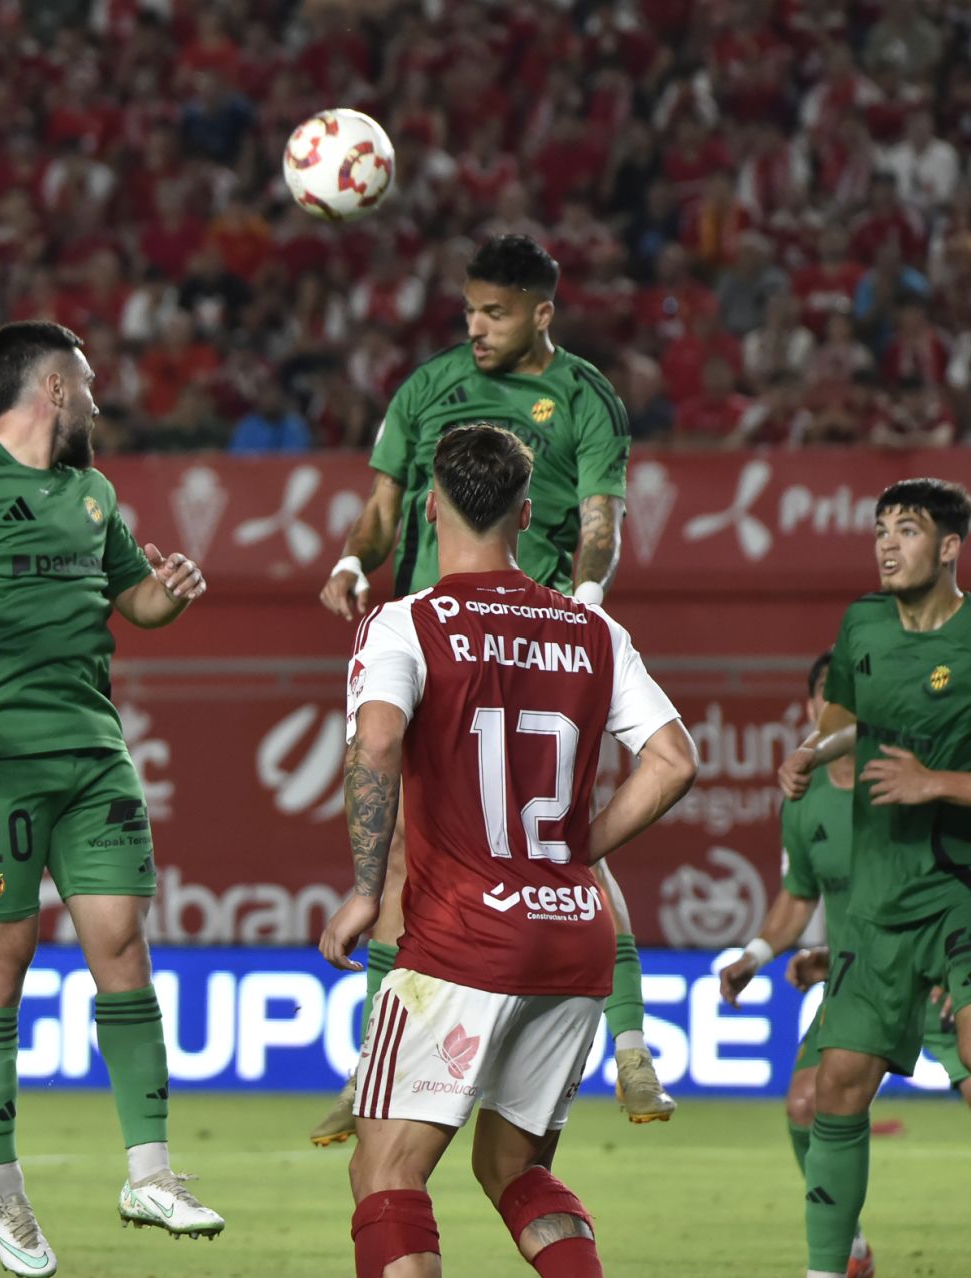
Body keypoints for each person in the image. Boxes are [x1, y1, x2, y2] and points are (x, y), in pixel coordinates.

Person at [0, 321, 222, 1276]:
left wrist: (169, 591)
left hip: (93, 752)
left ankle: (149, 1173)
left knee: (122, 943)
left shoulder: (94, 494)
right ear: (56, 388)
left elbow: (134, 602)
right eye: (90, 384)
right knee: (1, 962)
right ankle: (3, 1194)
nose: (100, 402)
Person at [314, 234, 671, 1144]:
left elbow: (601, 521)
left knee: (552, 839)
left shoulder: (585, 397)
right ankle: (377, 1057)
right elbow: (383, 509)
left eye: (496, 313)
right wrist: (353, 560)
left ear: (542, 313)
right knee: (408, 848)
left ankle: (631, 1042)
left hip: (529, 637)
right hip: (435, 643)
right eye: (470, 309)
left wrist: (585, 600)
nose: (476, 327)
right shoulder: (427, 388)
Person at [320, 423, 698, 1278]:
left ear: (429, 507)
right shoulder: (592, 629)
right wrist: (573, 851)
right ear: (527, 514)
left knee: (385, 1173)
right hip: (573, 938)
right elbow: (675, 761)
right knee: (514, 1168)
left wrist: (365, 890)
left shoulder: (405, 624)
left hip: (462, 937)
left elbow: (375, 746)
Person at [776, 478, 971, 1278]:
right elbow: (843, 719)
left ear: (950, 547)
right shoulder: (862, 622)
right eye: (881, 529)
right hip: (881, 901)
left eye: (908, 529)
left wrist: (938, 783)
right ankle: (832, 1270)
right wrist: (812, 752)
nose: (888, 543)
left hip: (960, 894)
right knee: (837, 1087)